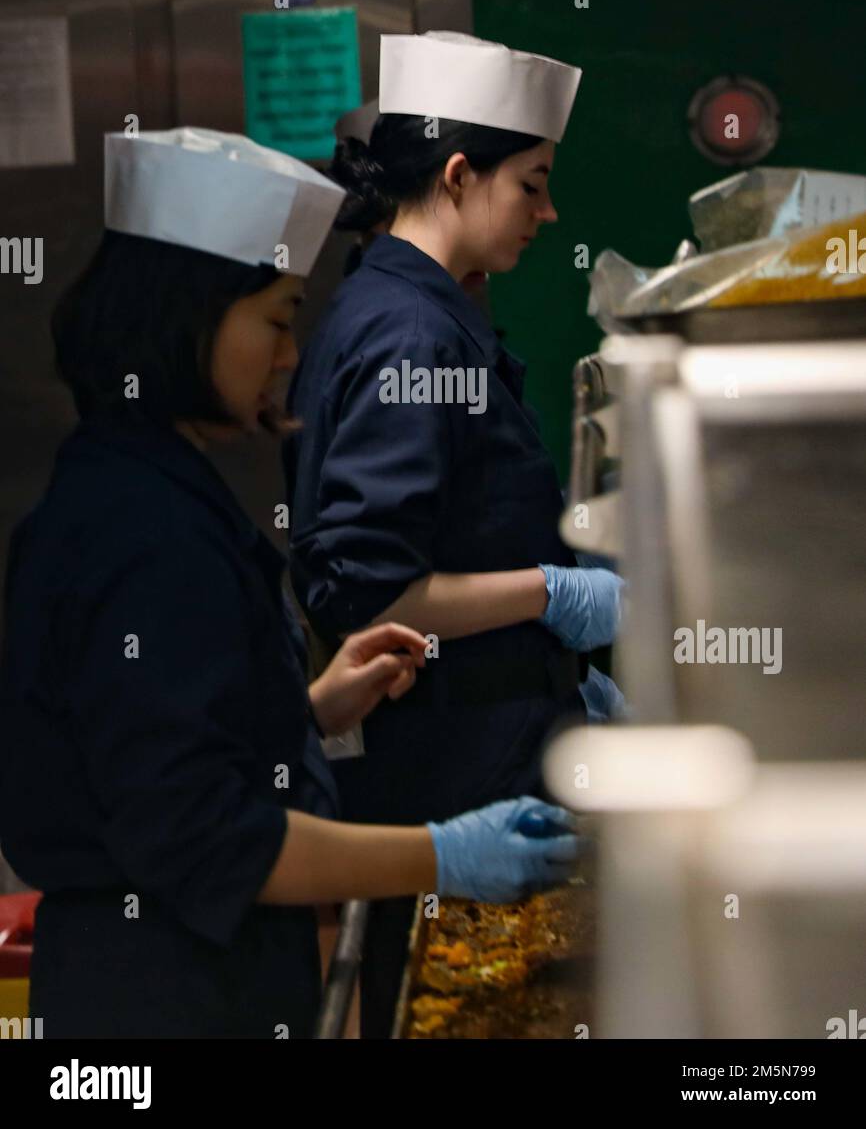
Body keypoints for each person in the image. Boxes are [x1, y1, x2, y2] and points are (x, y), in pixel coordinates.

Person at [0, 127, 583, 1040]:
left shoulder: (143, 485)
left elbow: (151, 745)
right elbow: (207, 834)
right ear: (190, 314)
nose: (287, 356)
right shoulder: (141, 533)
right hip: (162, 998)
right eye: (275, 320)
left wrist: (308, 708)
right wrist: (440, 855)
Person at [283, 32, 624, 1034]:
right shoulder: (409, 333)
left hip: (474, 747)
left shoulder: (421, 312)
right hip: (454, 771)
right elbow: (366, 588)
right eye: (533, 184)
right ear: (458, 174)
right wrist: (552, 597)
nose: (547, 212)